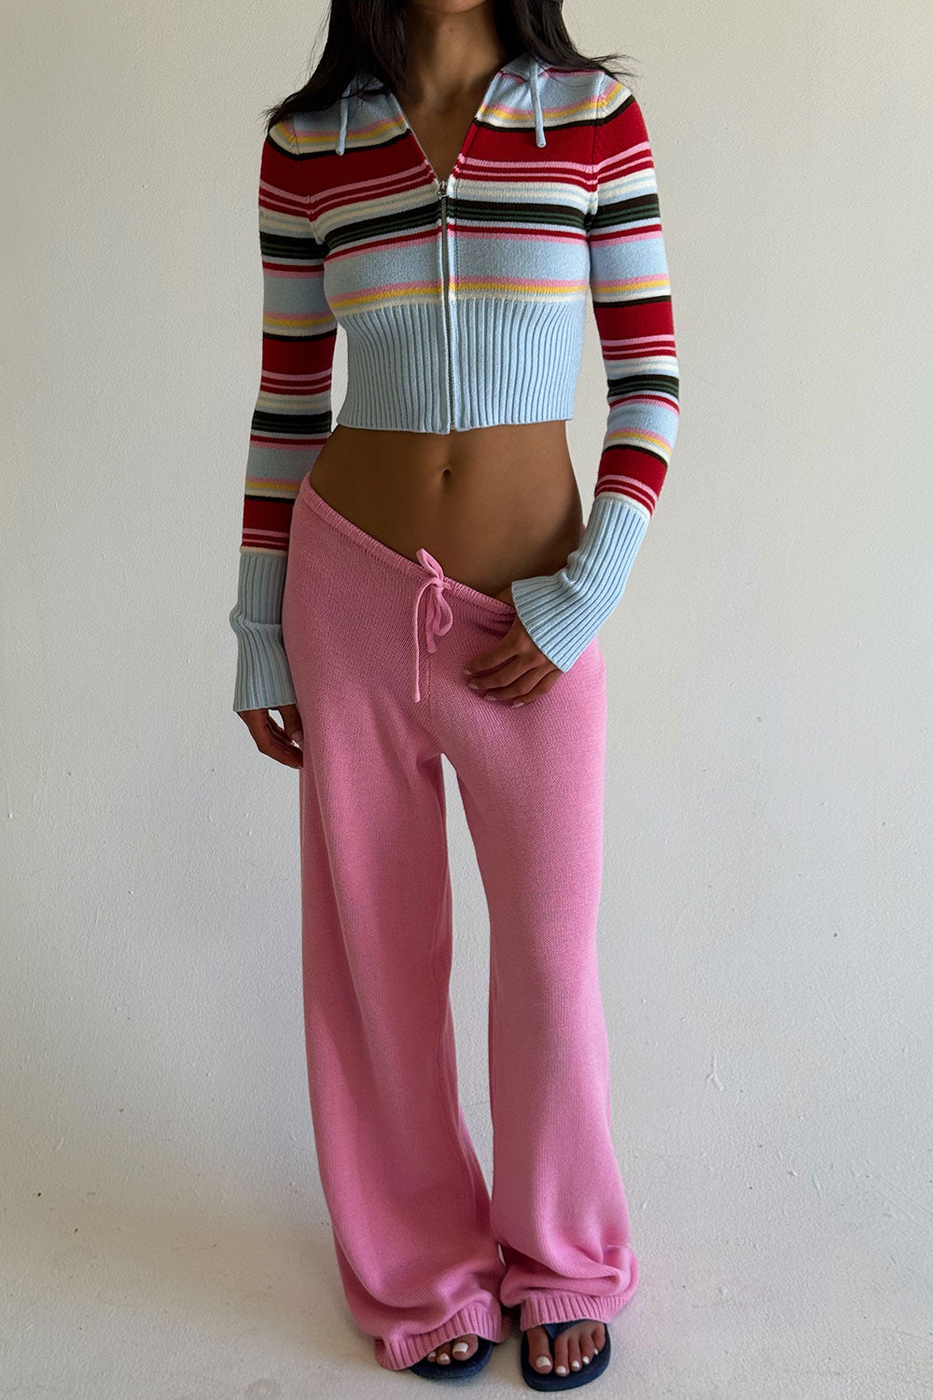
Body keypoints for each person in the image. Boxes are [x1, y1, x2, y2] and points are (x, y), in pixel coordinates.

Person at [229, 0, 679, 1387]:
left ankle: (560, 1255)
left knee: (547, 959)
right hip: (347, 594)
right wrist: (259, 630)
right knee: (377, 959)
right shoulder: (309, 144)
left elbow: (650, 383)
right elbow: (288, 404)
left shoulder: (590, 118)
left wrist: (584, 595)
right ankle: (422, 1268)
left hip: (530, 617)